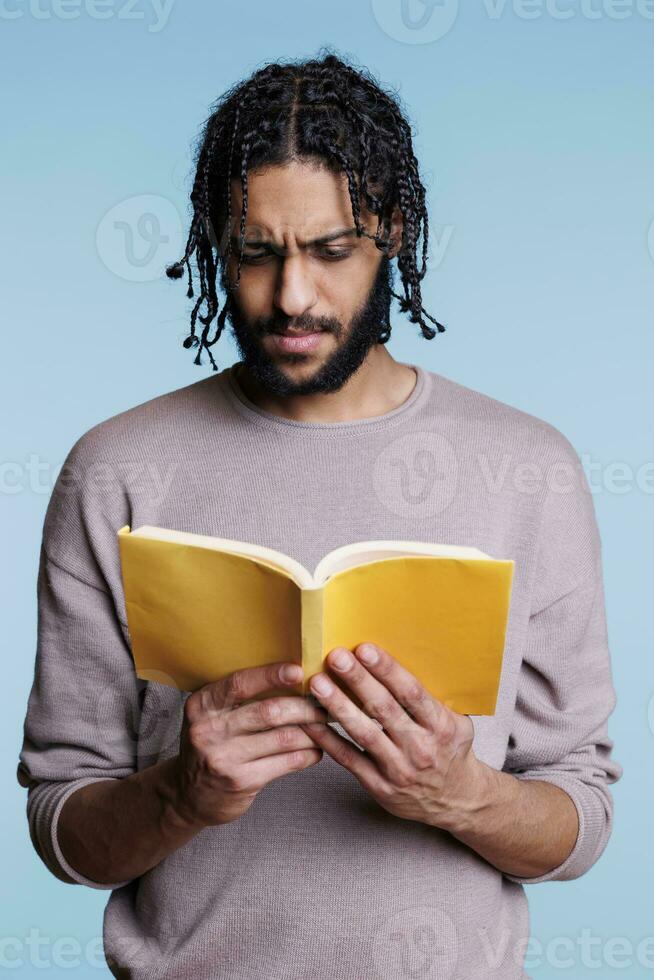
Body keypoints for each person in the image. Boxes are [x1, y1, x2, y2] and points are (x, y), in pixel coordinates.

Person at [16, 50, 622, 979]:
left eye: (332, 251)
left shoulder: (527, 468)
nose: (292, 297)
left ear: (397, 236)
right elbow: (65, 831)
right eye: (257, 254)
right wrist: (183, 793)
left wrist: (457, 794)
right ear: (217, 244)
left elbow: (580, 822)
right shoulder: (116, 470)